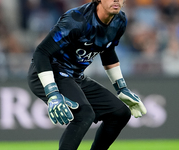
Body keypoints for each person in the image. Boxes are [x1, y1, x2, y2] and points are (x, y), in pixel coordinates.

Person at [28, 0, 147, 149]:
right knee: (84, 114)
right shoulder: (77, 20)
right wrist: (52, 92)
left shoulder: (119, 21)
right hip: (48, 72)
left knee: (120, 113)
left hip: (75, 76)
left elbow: (108, 51)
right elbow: (41, 53)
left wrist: (121, 88)